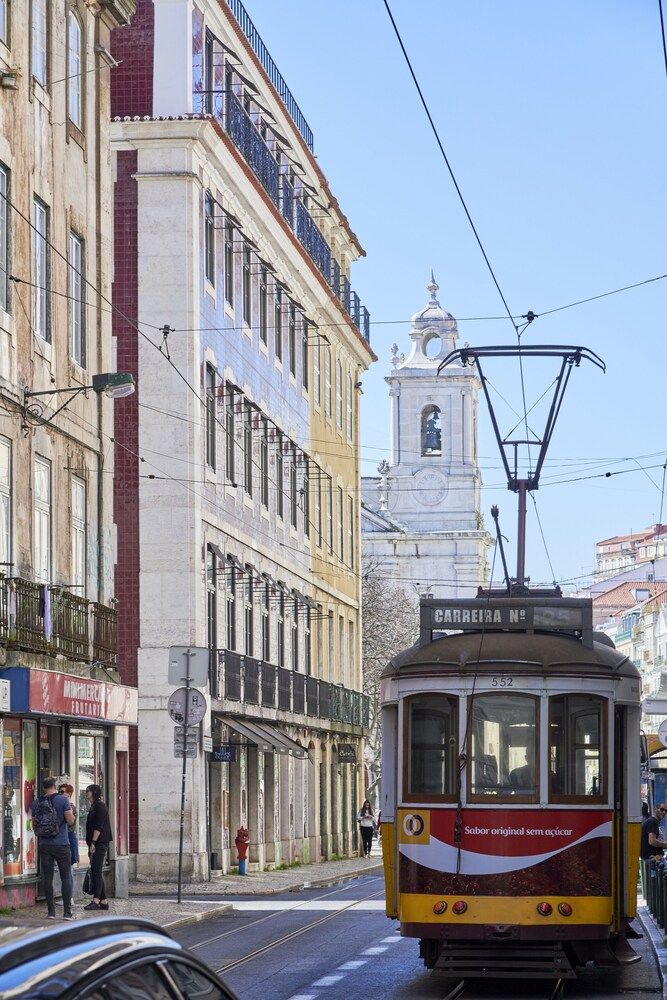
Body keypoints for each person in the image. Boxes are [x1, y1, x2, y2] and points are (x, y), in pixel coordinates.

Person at [30, 777, 75, 920]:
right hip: (61, 843)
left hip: (44, 844)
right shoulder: (63, 800)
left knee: (47, 878)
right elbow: (70, 820)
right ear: (55, 786)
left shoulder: (36, 802)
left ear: (43, 787)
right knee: (66, 876)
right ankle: (67, 913)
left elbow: (34, 824)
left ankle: (51, 912)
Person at [84, 784, 113, 911]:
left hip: (100, 843)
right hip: (95, 843)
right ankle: (104, 901)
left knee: (96, 870)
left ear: (94, 792)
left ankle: (96, 900)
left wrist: (94, 843)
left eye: (88, 791)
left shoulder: (100, 806)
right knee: (96, 870)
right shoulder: (93, 806)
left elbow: (99, 826)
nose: (86, 793)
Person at [58, 783, 79, 867]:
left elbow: (71, 823)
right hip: (61, 838)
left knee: (69, 868)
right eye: (59, 792)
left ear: (69, 794)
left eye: (63, 791)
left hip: (69, 837)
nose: (61, 793)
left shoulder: (71, 807)